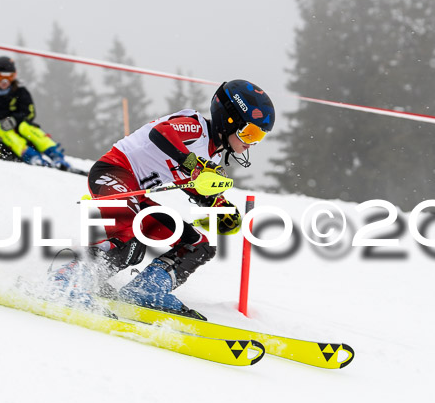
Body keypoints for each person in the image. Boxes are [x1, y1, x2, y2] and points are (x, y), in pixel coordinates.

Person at [53, 79, 275, 318]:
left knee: (198, 245)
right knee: (130, 243)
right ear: (228, 119)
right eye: (249, 132)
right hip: (112, 174)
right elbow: (161, 133)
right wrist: (193, 164)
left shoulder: (212, 153)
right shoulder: (195, 127)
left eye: (259, 137)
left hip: (138, 196)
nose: (250, 142)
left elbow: (191, 185)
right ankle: (68, 279)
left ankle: (146, 290)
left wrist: (219, 205)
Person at [0, 56, 70, 169]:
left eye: (9, 77)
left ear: (14, 76)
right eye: (0, 77)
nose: (5, 81)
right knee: (1, 127)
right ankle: (32, 157)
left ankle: (55, 155)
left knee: (24, 126)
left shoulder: (21, 92)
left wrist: (15, 120)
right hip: (3, 141)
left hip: (25, 137)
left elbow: (30, 113)